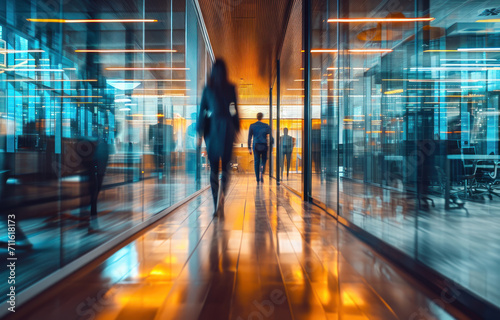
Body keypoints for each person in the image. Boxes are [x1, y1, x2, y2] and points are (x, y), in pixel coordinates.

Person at [197, 59, 240, 217]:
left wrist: (200, 132)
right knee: (226, 167)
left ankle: (216, 203)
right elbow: (234, 109)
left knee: (214, 168)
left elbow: (202, 110)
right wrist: (236, 126)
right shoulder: (230, 88)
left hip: (213, 129)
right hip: (227, 128)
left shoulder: (208, 89)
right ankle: (223, 196)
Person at [248, 112, 271, 183]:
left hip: (256, 145)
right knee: (264, 160)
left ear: (257, 117)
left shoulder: (252, 126)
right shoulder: (266, 125)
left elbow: (249, 137)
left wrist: (249, 148)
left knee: (256, 161)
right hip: (264, 145)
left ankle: (257, 178)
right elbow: (270, 135)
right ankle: (262, 166)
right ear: (262, 117)